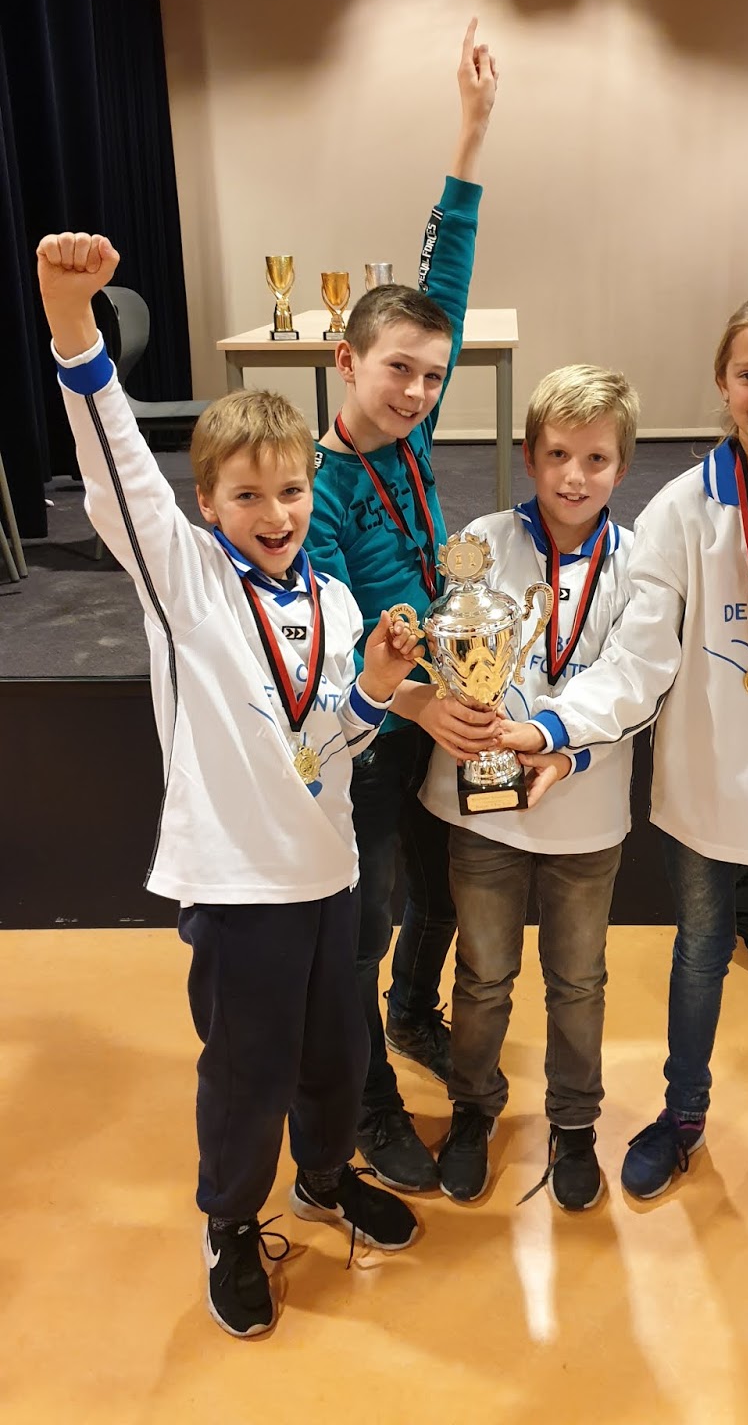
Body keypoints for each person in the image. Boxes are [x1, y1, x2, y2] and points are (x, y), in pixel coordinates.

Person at [37, 231, 424, 1338]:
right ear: (207, 503)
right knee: (249, 1074)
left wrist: (376, 689)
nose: (276, 513)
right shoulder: (185, 578)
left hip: (328, 874)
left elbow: (331, 740)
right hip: (241, 886)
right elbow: (116, 465)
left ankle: (324, 1178)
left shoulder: (335, 603)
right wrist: (72, 323)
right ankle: (231, 1222)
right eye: (247, 494)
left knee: (337, 1059)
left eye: (291, 489)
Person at [496, 288, 748, 1236]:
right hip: (705, 786)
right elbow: (640, 660)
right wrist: (558, 728)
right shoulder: (681, 510)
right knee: (699, 958)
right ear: (723, 381)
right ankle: (683, 1119)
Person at [305, 19, 499, 1191]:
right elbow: (337, 656)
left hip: (435, 709)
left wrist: (470, 135)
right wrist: (421, 703)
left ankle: (415, 1015)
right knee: (367, 917)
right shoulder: (317, 493)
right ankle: (369, 1101)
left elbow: (448, 282)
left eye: (432, 374)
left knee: (441, 889)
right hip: (372, 730)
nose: (420, 391)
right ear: (346, 361)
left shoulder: (412, 432)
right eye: (397, 370)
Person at [419, 366, 639, 1209]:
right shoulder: (481, 544)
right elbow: (452, 658)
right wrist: (458, 713)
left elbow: (636, 683)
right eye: (556, 455)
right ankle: (473, 1108)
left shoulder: (638, 566)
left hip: (586, 813)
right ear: (528, 455)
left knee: (579, 982)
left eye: (595, 459)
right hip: (486, 813)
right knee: (482, 975)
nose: (573, 477)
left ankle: (575, 1122)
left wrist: (565, 751)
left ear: (622, 465)